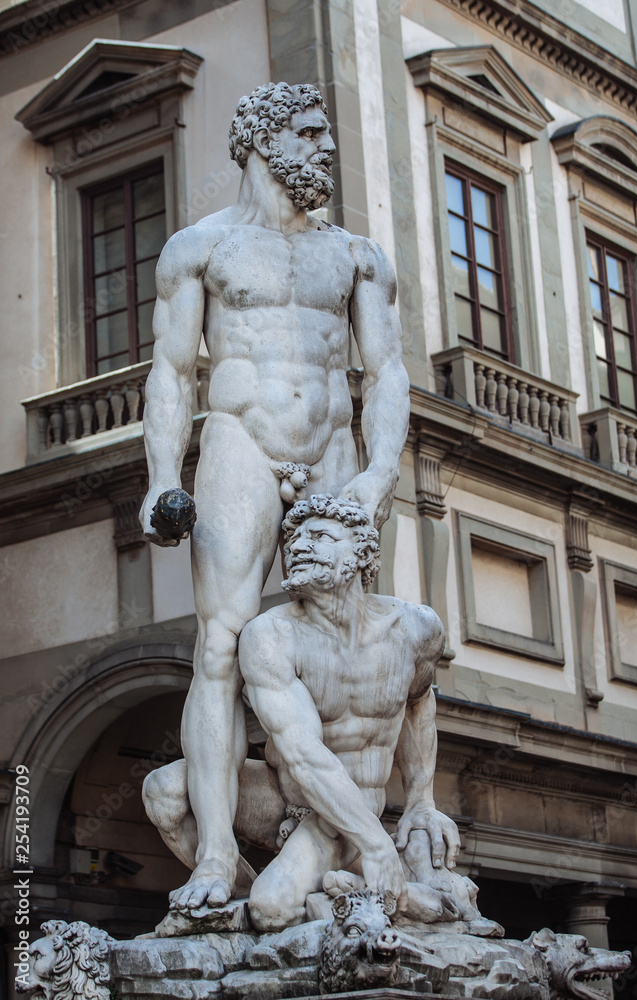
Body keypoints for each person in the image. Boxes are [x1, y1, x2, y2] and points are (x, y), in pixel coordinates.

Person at [139, 82, 410, 911]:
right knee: (219, 646)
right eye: (308, 132)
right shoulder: (201, 249)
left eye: (327, 133)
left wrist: (379, 472)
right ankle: (218, 854)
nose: (325, 147)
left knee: (343, 640)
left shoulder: (358, 255)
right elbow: (173, 373)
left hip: (334, 447)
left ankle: (339, 834)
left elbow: (387, 372)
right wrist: (160, 478)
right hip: (239, 444)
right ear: (260, 139)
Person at [143, 495, 461, 931]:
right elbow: (303, 755)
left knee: (274, 907)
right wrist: (379, 848)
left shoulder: (415, 629)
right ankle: (235, 901)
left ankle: (388, 897)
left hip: (348, 811)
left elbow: (419, 699)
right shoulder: (271, 636)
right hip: (283, 792)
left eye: (322, 536)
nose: (300, 546)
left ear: (363, 553)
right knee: (163, 791)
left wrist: (420, 801)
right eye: (295, 539)